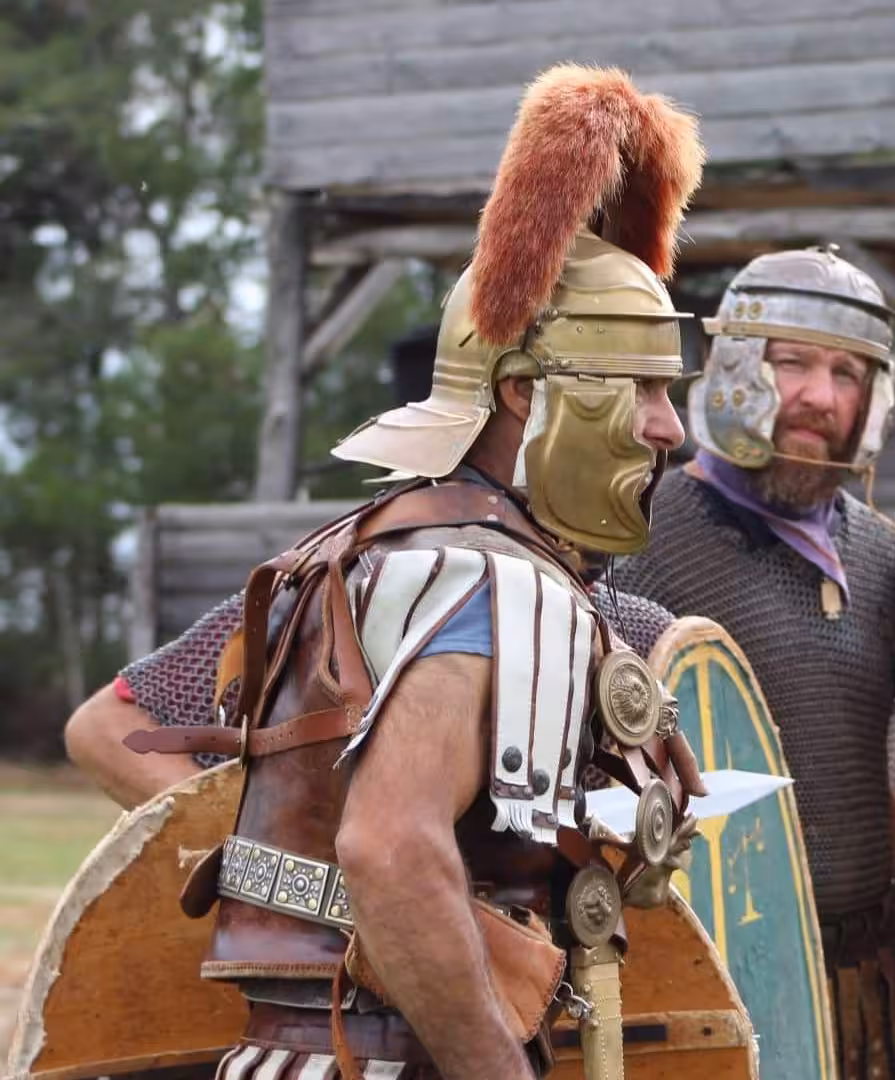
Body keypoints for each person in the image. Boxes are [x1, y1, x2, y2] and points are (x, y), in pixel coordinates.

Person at [69, 65, 706, 1079]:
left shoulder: (357, 554)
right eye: (641, 390)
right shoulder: (496, 582)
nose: (671, 429)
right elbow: (390, 851)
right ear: (519, 393)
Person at [613, 246, 895, 1078]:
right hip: (718, 972)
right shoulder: (643, 537)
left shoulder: (882, 560)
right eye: (792, 362)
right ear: (734, 364)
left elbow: (851, 787)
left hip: (870, 973)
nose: (818, 396)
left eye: (846, 373)